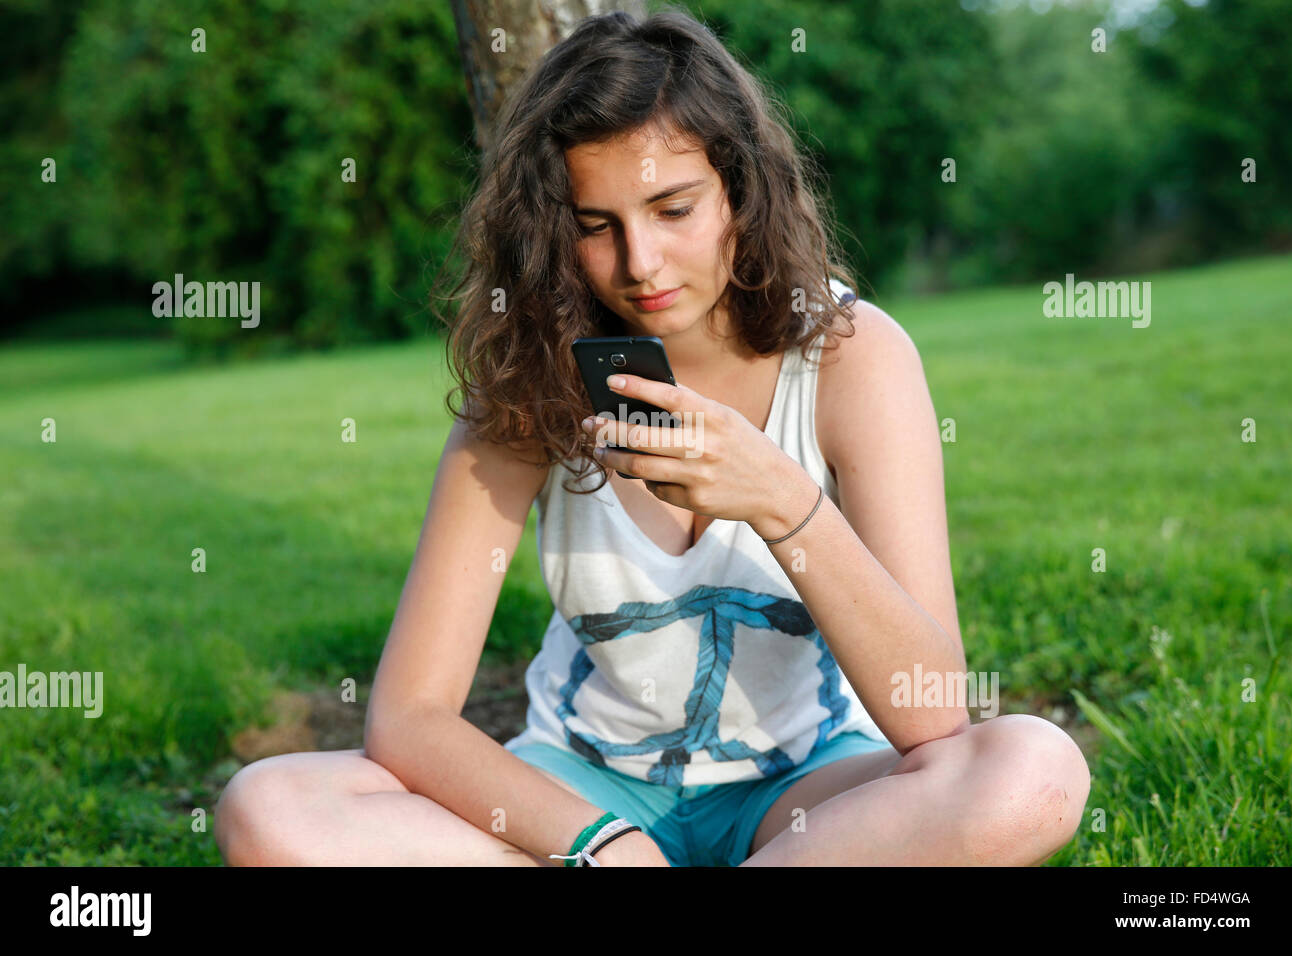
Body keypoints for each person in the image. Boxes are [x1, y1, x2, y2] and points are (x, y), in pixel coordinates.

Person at [214, 6, 1090, 867]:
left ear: (740, 192)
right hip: (585, 790)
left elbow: (933, 712)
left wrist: (784, 501)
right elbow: (409, 716)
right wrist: (603, 845)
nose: (640, 263)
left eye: (673, 208)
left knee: (1032, 772)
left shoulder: (853, 358)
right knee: (271, 807)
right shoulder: (530, 376)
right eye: (596, 226)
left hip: (804, 795)